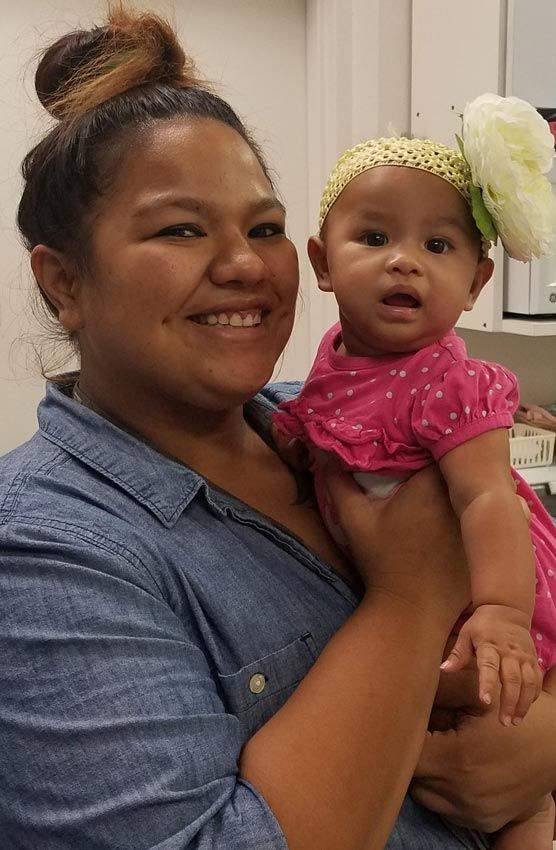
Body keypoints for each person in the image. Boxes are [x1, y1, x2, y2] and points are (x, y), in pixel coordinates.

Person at [1, 6, 556, 849]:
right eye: (180, 229)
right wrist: (415, 595)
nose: (246, 265)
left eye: (263, 228)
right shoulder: (44, 552)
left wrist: (542, 745)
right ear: (63, 282)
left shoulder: (330, 423)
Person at [273, 104, 556, 848]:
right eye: (374, 237)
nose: (405, 260)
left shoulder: (452, 385)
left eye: (438, 245)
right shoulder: (335, 360)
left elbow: (489, 498)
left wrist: (499, 610)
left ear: (475, 282)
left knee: (504, 761)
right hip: (415, 602)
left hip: (488, 593)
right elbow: (331, 433)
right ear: (323, 261)